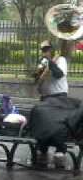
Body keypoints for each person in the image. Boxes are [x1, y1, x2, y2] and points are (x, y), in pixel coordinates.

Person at [32, 40, 69, 168]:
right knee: (44, 126)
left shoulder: (61, 60)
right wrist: (37, 73)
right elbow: (36, 79)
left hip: (59, 97)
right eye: (43, 50)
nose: (45, 52)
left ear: (52, 49)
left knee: (58, 126)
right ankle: (42, 150)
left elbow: (59, 74)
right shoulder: (42, 61)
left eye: (47, 49)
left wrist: (50, 62)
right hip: (45, 97)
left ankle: (60, 151)